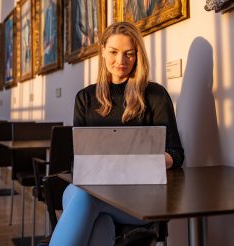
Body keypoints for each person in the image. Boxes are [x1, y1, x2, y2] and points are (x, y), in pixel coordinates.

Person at [49, 21, 184, 246]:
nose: (121, 61)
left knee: (83, 198)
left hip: (139, 199)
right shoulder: (85, 98)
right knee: (97, 218)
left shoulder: (155, 95)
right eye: (113, 52)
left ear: (138, 54)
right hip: (90, 191)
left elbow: (176, 154)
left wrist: (135, 163)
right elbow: (79, 159)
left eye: (129, 54)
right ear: (102, 50)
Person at [43, 0, 57, 65]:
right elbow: (45, 30)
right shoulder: (47, 11)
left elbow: (56, 27)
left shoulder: (55, 8)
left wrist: (52, 39)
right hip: (47, 47)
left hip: (54, 47)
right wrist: (45, 41)